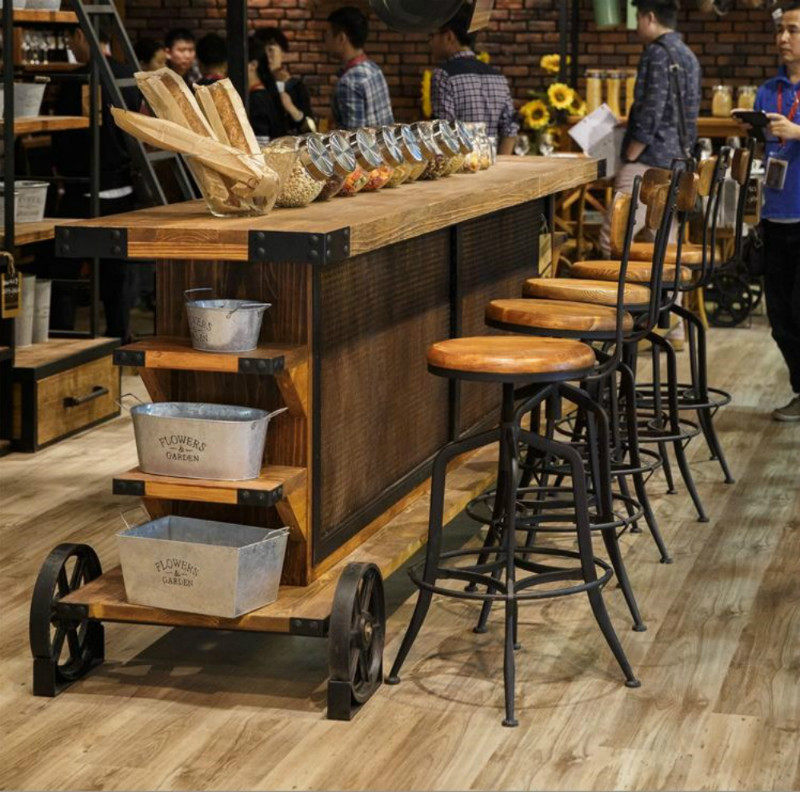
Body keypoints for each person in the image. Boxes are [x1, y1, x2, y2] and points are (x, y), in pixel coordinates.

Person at [51, 25, 141, 342]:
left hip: (85, 189)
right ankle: (118, 335)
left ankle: (62, 338)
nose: (70, 47)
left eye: (69, 39)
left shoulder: (78, 79)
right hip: (124, 189)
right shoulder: (129, 75)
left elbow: (64, 139)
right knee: (116, 271)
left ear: (80, 35)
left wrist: (60, 172)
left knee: (63, 270)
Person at [599, 0, 701, 257]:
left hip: (647, 163)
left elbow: (651, 110)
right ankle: (664, 287)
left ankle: (615, 284)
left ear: (650, 17)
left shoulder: (656, 53)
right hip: (677, 163)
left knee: (612, 240)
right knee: (663, 245)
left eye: (638, 19)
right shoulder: (689, 56)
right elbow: (687, 112)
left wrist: (631, 154)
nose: (637, 27)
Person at [753, 0, 800, 421]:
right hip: (775, 214)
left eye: (793, 30)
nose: (783, 38)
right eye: (780, 30)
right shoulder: (769, 90)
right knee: (780, 316)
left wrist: (796, 131)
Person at [429, 4, 518, 155]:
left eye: (432, 36)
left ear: (449, 36)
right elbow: (510, 129)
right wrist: (501, 163)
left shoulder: (443, 75)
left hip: (461, 166)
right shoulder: (498, 77)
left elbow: (444, 133)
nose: (430, 42)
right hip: (491, 163)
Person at [324, 6, 394, 129]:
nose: (325, 39)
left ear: (341, 38)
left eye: (327, 34)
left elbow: (353, 138)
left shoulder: (349, 82)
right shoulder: (374, 69)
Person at [249, 27, 315, 135]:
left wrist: (291, 109)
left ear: (283, 54)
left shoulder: (296, 86)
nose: (266, 56)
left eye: (271, 50)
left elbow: (311, 129)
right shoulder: (256, 86)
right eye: (263, 51)